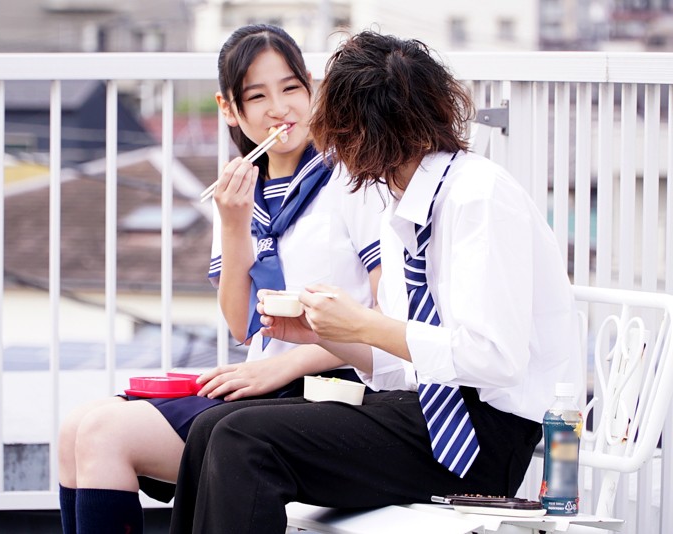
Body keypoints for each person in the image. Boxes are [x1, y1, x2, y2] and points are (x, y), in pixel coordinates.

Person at [168, 31, 584, 534]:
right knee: (211, 429)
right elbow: (401, 365)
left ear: (363, 133)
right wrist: (326, 333)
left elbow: (495, 358)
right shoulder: (402, 204)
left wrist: (365, 325)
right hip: (428, 411)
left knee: (244, 441)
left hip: (481, 438)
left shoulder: (479, 197)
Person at [56, 25, 385, 534]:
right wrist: (233, 225)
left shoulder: (352, 179)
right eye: (257, 96)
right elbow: (241, 325)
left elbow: (387, 316)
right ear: (229, 109)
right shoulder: (239, 192)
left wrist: (284, 366)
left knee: (104, 433)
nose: (280, 109)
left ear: (312, 89)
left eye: (291, 88)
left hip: (338, 387)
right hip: (267, 385)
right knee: (73, 431)